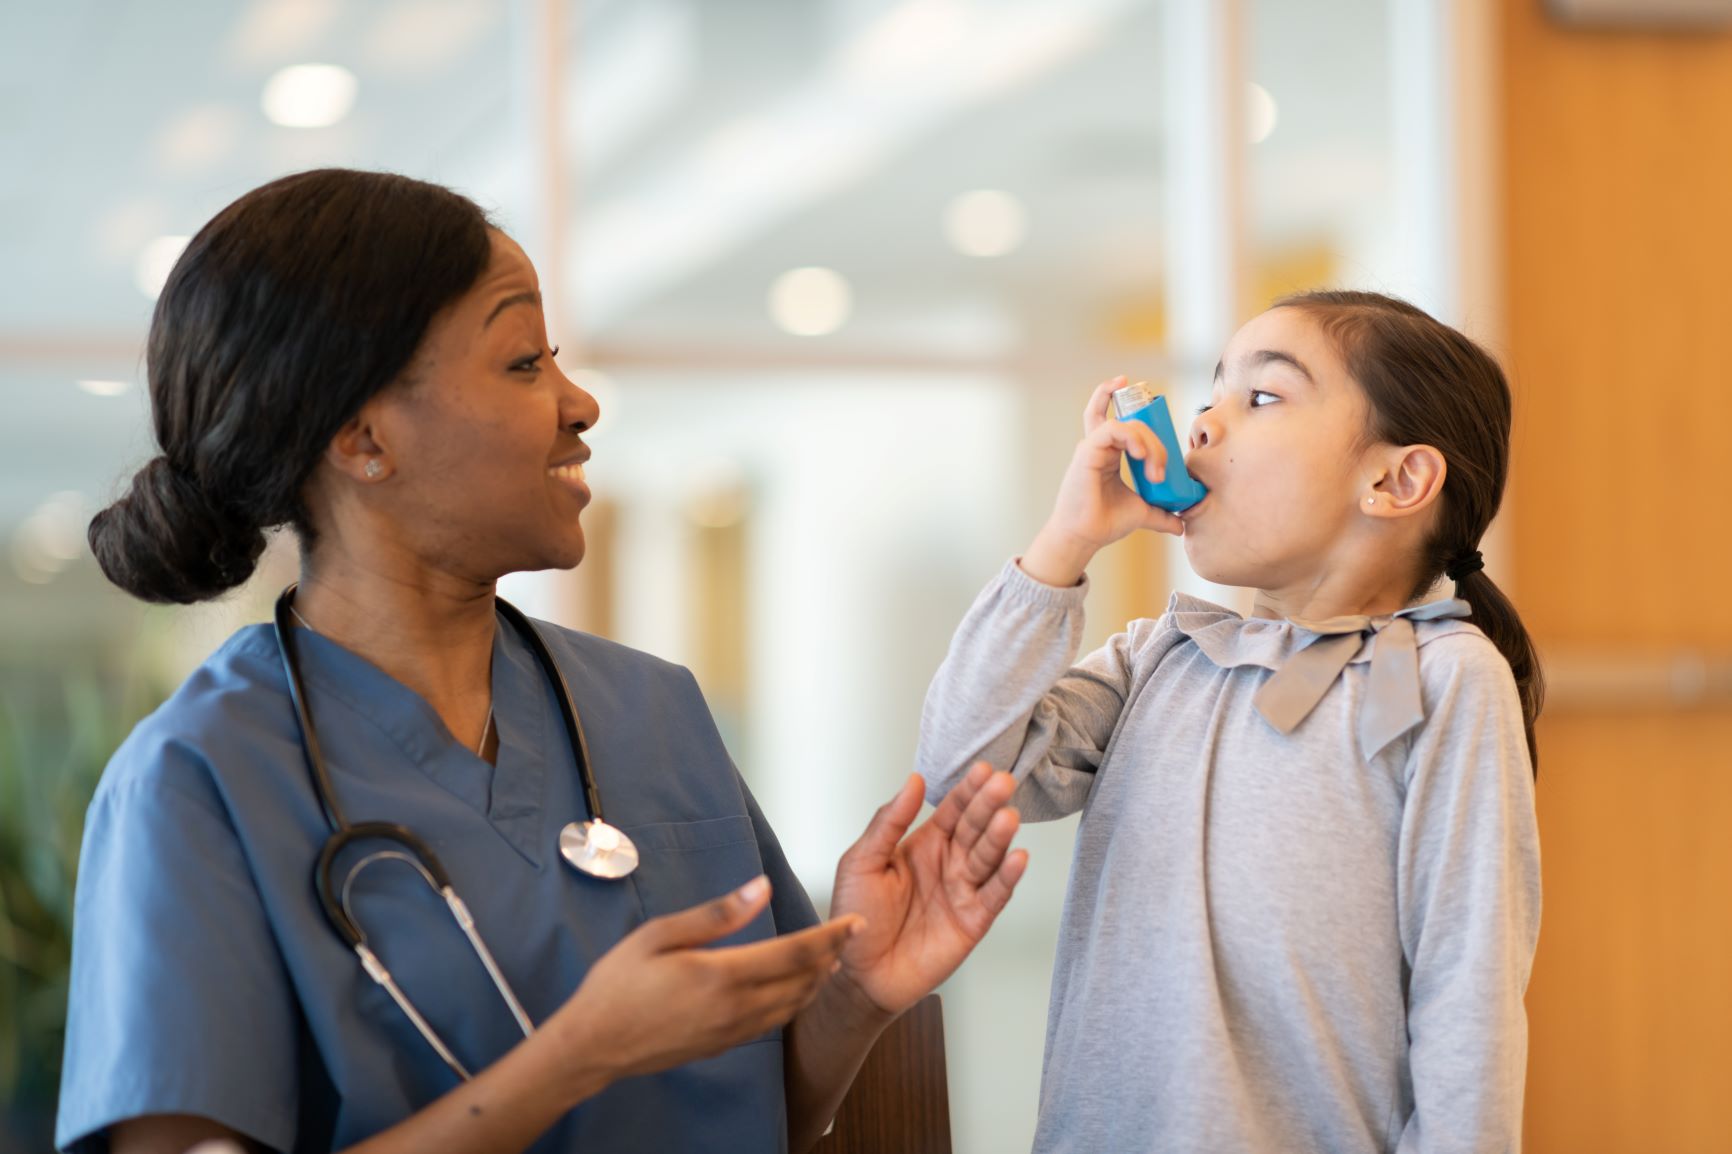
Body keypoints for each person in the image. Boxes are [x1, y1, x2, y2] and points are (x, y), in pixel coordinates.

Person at [57, 168, 1029, 1154]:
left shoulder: (654, 708)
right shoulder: (197, 777)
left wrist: (856, 993)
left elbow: (756, 1103)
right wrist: (577, 1055)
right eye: (524, 363)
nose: (581, 402)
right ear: (363, 438)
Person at [915, 292, 1542, 1152]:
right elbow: (965, 771)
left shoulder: (1440, 678)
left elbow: (1466, 990)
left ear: (1396, 481)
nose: (1203, 423)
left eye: (1264, 397)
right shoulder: (1161, 658)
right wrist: (1063, 544)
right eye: (1213, 394)